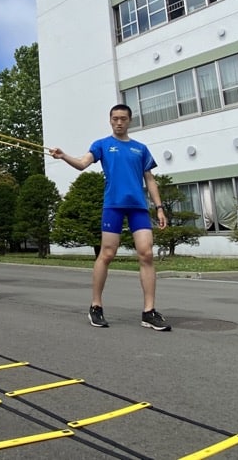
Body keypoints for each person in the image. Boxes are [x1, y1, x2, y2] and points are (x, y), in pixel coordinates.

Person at [50, 104, 172, 331]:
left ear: (129, 120)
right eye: (115, 118)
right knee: (107, 253)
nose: (118, 122)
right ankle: (95, 306)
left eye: (123, 119)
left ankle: (149, 311)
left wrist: (160, 207)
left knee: (146, 253)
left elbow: (150, 179)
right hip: (113, 206)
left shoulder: (140, 149)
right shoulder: (102, 145)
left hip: (138, 207)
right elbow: (82, 164)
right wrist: (63, 155)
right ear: (110, 120)